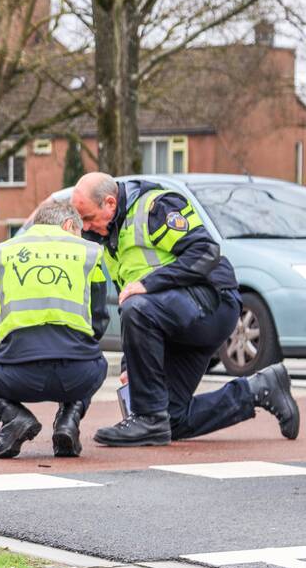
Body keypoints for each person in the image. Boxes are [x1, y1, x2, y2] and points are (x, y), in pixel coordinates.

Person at [69, 172, 299, 446]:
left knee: (138, 308)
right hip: (174, 317)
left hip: (211, 303)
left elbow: (205, 252)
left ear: (109, 203)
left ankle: (148, 418)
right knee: (172, 419)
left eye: (89, 218)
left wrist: (149, 283)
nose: (86, 227)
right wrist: (133, 364)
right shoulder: (110, 239)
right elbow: (128, 301)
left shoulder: (156, 207)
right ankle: (259, 389)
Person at [0, 201, 109, 458]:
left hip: (15, 374)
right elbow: (97, 326)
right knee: (97, 360)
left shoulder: (0, 254)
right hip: (79, 374)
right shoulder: (89, 254)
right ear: (69, 225)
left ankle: (13, 416)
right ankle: (68, 419)